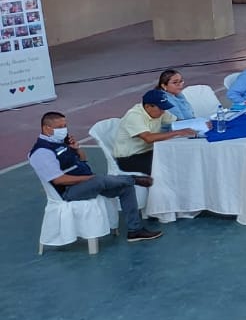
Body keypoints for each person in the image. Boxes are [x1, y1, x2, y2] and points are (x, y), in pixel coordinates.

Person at [30, 110, 159, 243]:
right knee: (99, 180)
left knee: (126, 187)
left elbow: (83, 160)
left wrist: (76, 148)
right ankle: (132, 179)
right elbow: (59, 180)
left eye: (65, 126)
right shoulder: (42, 152)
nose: (64, 130)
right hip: (68, 191)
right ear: (47, 128)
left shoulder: (60, 142)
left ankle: (135, 230)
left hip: (87, 183)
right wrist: (88, 178)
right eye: (59, 127)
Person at [111, 89, 200, 175]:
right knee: (167, 168)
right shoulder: (134, 115)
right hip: (128, 159)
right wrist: (177, 132)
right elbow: (148, 138)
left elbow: (179, 122)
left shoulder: (160, 112)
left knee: (180, 159)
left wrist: (200, 124)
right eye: (160, 108)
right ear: (147, 106)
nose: (163, 111)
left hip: (150, 152)